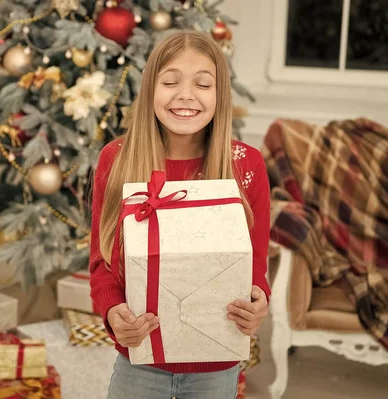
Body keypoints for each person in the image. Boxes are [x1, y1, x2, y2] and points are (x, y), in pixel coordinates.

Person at [89, 30, 271, 399]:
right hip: (141, 359)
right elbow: (103, 263)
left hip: (217, 363)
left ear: (220, 95)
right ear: (150, 90)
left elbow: (254, 267)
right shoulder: (117, 159)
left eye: (203, 84)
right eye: (171, 81)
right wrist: (112, 312)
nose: (186, 94)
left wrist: (257, 302)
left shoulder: (246, 165)